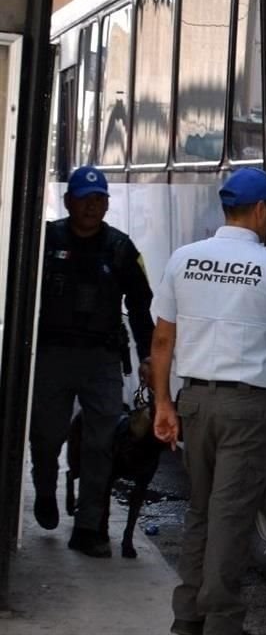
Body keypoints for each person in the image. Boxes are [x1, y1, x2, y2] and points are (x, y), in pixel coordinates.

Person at [152, 167, 266, 635]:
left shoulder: (184, 258)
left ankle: (188, 617)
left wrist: (163, 404)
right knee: (231, 516)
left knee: (201, 508)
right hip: (246, 408)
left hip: (194, 402)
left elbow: (162, 340)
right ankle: (222, 622)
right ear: (260, 210)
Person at [30, 165, 154, 557]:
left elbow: (139, 306)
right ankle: (46, 487)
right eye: (85, 198)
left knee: (101, 444)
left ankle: (88, 528)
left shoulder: (120, 248)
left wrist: (148, 353)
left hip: (101, 360)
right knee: (47, 435)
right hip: (52, 355)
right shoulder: (45, 242)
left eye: (99, 199)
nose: (92, 206)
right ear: (69, 202)